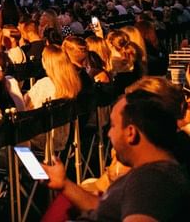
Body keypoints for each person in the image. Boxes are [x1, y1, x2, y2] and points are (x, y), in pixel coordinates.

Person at [42, 89, 190, 221]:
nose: (108, 133)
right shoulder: (155, 173)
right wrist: (65, 184)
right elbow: (108, 208)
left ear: (130, 133)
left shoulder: (149, 180)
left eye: (113, 126)